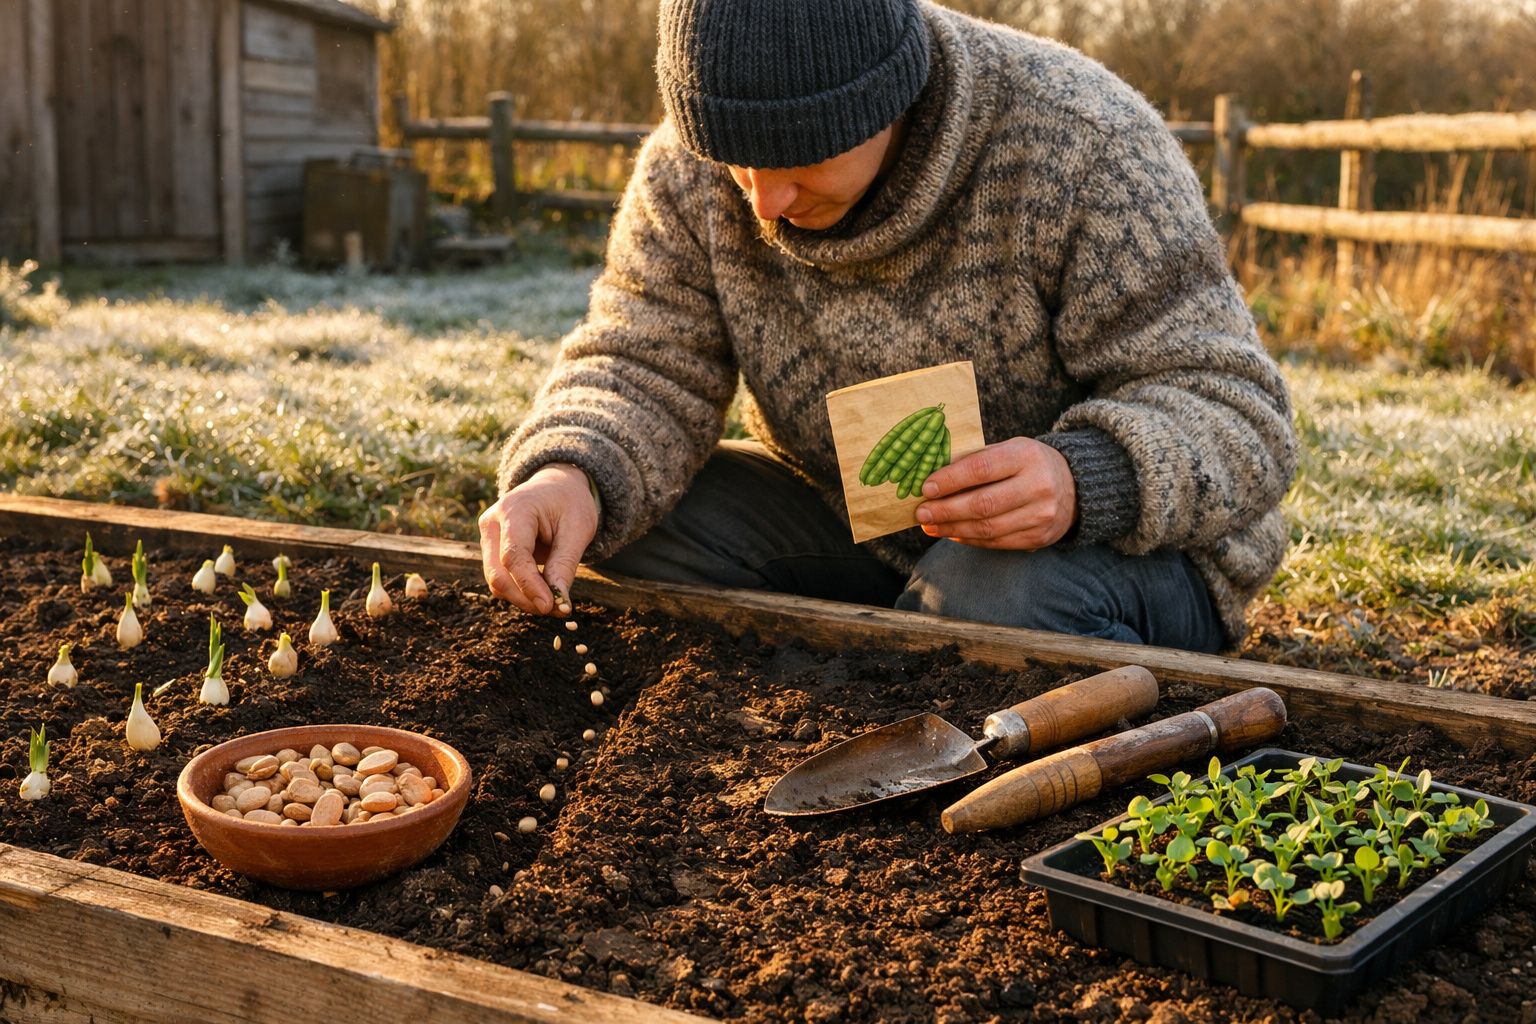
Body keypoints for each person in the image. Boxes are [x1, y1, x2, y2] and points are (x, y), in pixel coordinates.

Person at [478, 0, 1297, 654]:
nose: (762, 202)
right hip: (859, 526)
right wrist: (571, 473)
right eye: (736, 162)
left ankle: (1036, 684)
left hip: (1115, 557)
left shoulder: (1083, 144)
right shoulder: (691, 165)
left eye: (799, 164)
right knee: (616, 526)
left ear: (887, 96)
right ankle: (875, 668)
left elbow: (1238, 412)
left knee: (992, 596)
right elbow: (641, 360)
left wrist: (1088, 479)